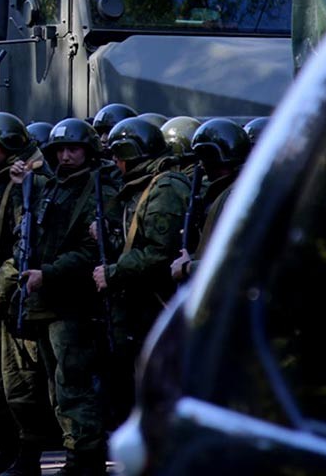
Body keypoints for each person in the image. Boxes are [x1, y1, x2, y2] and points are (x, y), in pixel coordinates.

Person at [18, 119, 111, 475]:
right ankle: (75, 452)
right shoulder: (52, 186)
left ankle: (84, 458)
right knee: (57, 385)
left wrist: (49, 273)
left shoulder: (98, 187)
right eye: (61, 150)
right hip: (45, 300)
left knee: (73, 385)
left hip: (73, 301)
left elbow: (91, 250)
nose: (67, 156)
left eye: (74, 149)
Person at [91, 117, 190, 426]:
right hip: (143, 303)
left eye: (118, 157)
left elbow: (159, 252)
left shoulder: (164, 188)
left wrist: (113, 272)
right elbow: (136, 237)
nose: (116, 164)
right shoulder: (143, 185)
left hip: (159, 302)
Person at [0, 112, 52, 476]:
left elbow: (25, 244)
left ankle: (27, 457)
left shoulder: (35, 181)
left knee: (19, 386)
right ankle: (5, 450)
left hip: (15, 299)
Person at [170, 118, 251, 283]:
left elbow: (234, 263)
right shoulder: (242, 189)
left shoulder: (234, 197)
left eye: (203, 158)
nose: (201, 165)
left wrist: (188, 268)